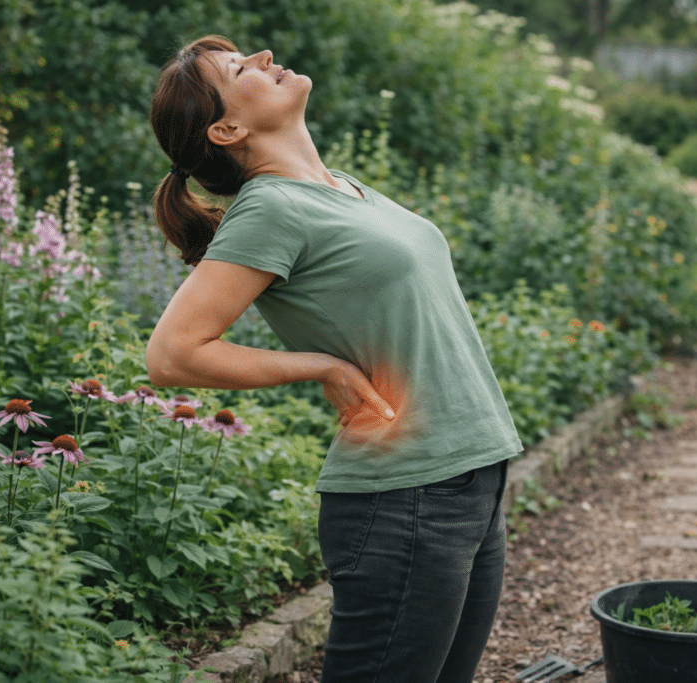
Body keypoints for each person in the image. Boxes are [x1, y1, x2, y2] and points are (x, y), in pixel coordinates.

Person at [145, 35, 523, 683]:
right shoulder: (270, 208)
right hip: (405, 499)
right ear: (228, 127)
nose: (264, 57)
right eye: (241, 68)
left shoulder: (341, 187)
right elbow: (173, 354)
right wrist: (322, 366)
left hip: (470, 480)